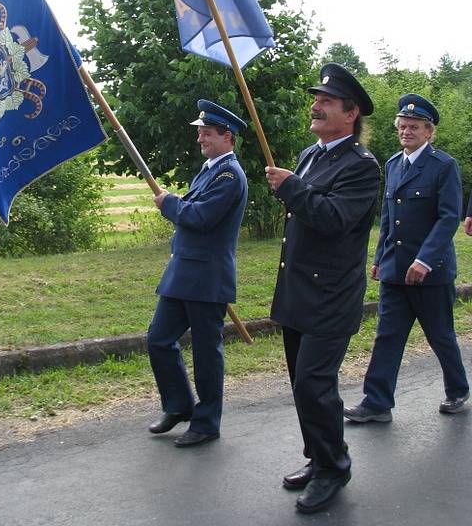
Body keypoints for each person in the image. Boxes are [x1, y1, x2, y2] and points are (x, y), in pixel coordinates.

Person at [265, 63, 380, 514]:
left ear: (350, 114)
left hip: (331, 294)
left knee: (315, 383)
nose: (316, 106)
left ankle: (334, 467)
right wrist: (294, 186)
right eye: (317, 100)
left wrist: (292, 188)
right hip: (299, 291)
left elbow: (334, 219)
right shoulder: (312, 153)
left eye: (326, 102)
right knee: (302, 383)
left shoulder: (361, 166)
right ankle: (318, 457)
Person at [345, 94, 469, 424]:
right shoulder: (392, 165)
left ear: (429, 132)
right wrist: (379, 257)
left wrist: (425, 260)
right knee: (388, 335)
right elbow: (388, 217)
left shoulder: (443, 166)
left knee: (440, 334)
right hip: (396, 270)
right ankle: (377, 402)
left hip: (430, 273)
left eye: (414, 127)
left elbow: (448, 218)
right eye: (402, 126)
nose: (406, 132)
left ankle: (457, 390)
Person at [146, 99, 248, 447]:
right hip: (182, 273)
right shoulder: (209, 169)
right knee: (158, 339)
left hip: (206, 279)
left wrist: (170, 203)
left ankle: (206, 423)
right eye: (200, 132)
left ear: (227, 136)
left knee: (206, 353)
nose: (201, 138)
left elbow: (202, 218)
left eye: (207, 133)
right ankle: (178, 406)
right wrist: (176, 205)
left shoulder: (229, 175)